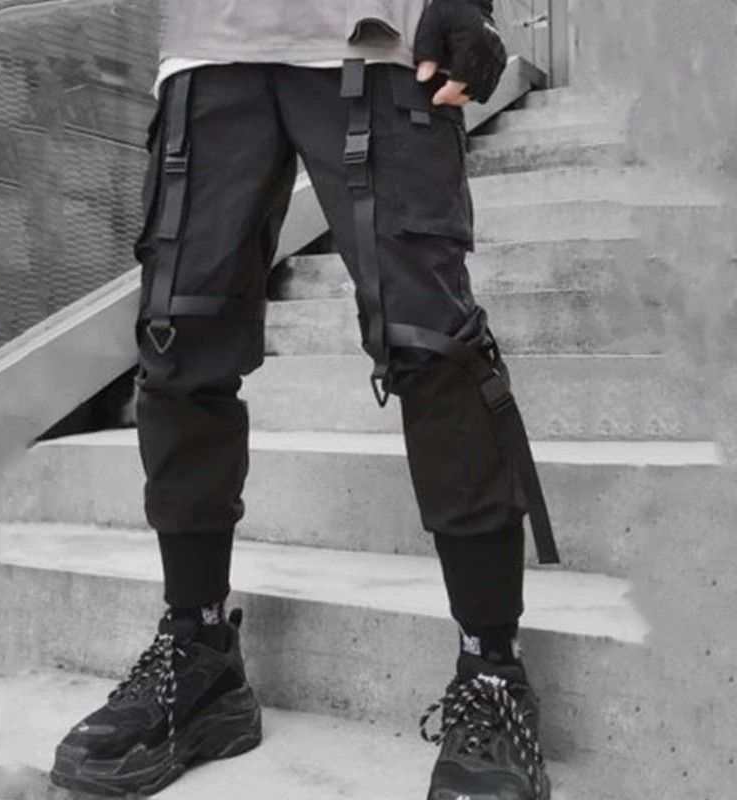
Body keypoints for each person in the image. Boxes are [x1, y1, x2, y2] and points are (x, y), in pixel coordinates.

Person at [50, 1, 559, 798]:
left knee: (432, 345)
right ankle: (200, 654)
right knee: (179, 345)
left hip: (377, 38)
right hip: (209, 51)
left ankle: (493, 672)